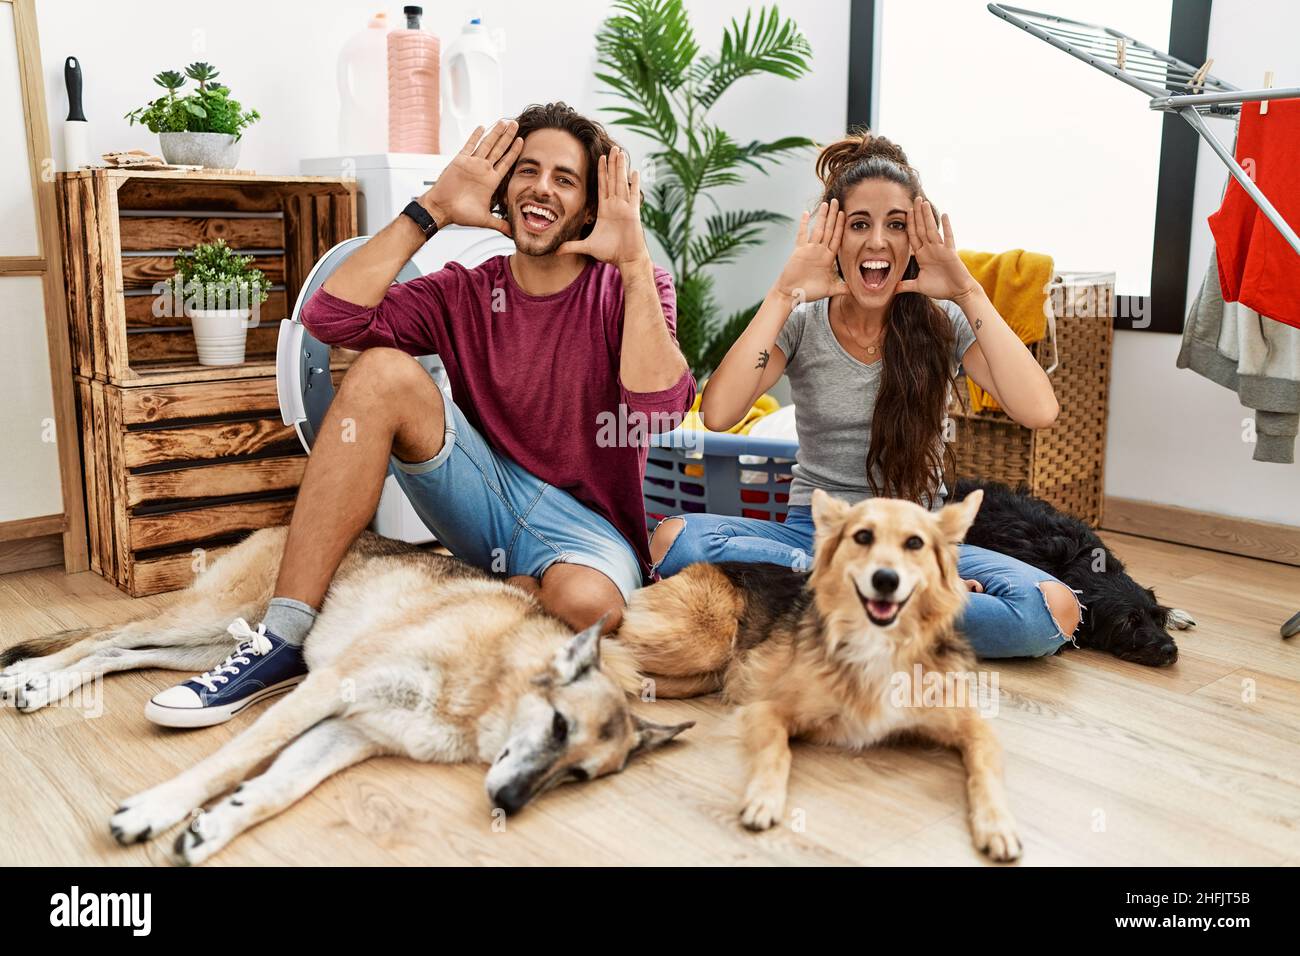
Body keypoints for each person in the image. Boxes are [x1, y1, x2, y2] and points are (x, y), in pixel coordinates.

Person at [145, 104, 694, 727]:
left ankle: (480, 593)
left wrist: (631, 261)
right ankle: (282, 640)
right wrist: (430, 208)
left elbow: (661, 411)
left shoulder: (627, 287)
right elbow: (329, 321)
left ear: (590, 208)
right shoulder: (463, 289)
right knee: (382, 371)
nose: (541, 187)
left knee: (588, 605)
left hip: (588, 532)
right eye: (527, 171)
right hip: (485, 494)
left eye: (564, 179)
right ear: (503, 187)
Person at [648, 131, 1081, 658]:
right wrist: (783, 294)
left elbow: (1038, 408)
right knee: (676, 539)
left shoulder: (942, 320)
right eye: (859, 224)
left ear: (915, 241)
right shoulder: (802, 322)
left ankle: (847, 612)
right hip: (818, 539)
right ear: (835, 238)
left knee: (1051, 609)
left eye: (896, 225)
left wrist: (967, 290)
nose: (877, 241)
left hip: (917, 541)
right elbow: (717, 413)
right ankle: (906, 613)